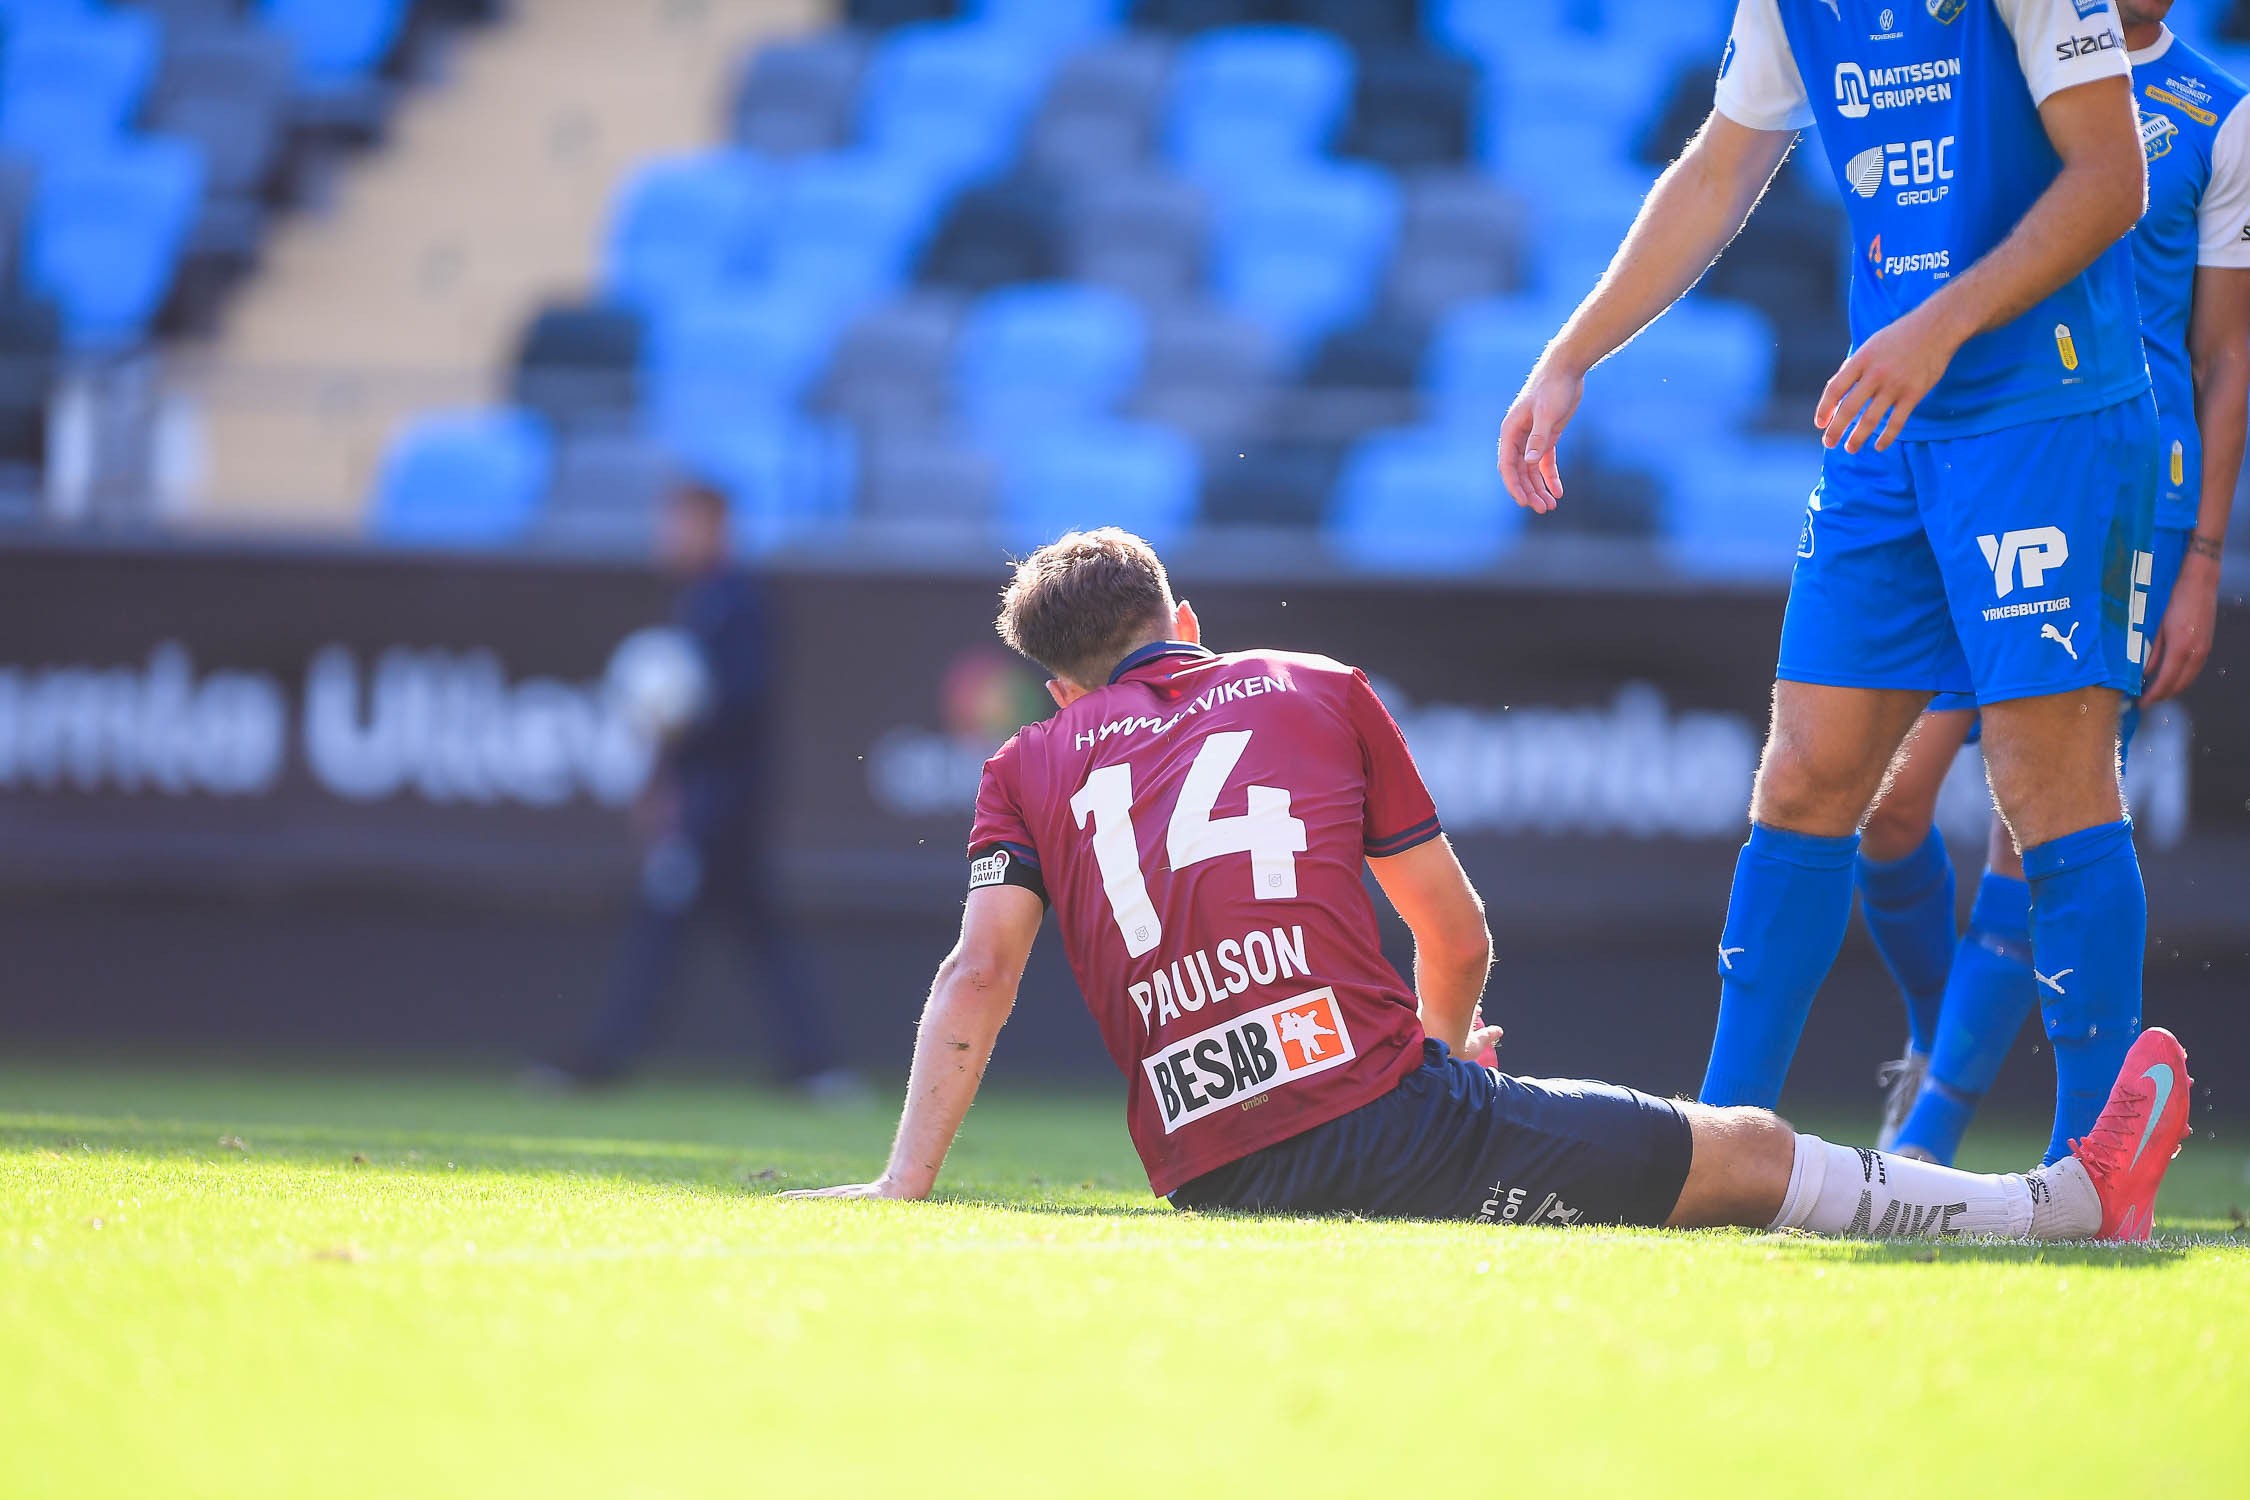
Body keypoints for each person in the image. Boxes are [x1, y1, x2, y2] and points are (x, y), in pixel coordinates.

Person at [786, 529, 2192, 1241]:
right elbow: (1454, 936)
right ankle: (2057, 1207)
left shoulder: (1027, 762)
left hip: (1206, 1168)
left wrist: (906, 1184)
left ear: (1058, 687)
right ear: (1187, 622)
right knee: (1751, 1149)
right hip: (1378, 1126)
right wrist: (1443, 1059)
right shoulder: (1318, 686)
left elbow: (978, 971)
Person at [1499, 0, 2161, 1166]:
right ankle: (1720, 1141)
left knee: (2043, 782)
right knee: (1807, 773)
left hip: (2044, 413)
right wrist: (1571, 353)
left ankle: (2099, 1163)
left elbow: (2113, 179)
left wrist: (1937, 328)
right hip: (1889, 425)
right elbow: (1718, 170)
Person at [1857, 0, 2248, 1163]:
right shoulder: (2001, 64)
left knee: (2031, 825)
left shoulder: (2221, 114)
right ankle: (1937, 1031)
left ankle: (1933, 1137)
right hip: (1982, 461)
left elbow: (2226, 357)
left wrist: (2204, 558)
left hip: (2123, 490)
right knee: (1886, 805)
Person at [534, 481, 855, 1096]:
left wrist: (683, 733)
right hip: (707, 801)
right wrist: (662, 776)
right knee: (751, 930)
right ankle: (815, 1066)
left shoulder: (738, 602)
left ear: (716, 527)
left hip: (722, 805)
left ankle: (604, 1057)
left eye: (682, 525)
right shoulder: (696, 601)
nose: (669, 538)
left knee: (665, 927)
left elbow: (741, 702)